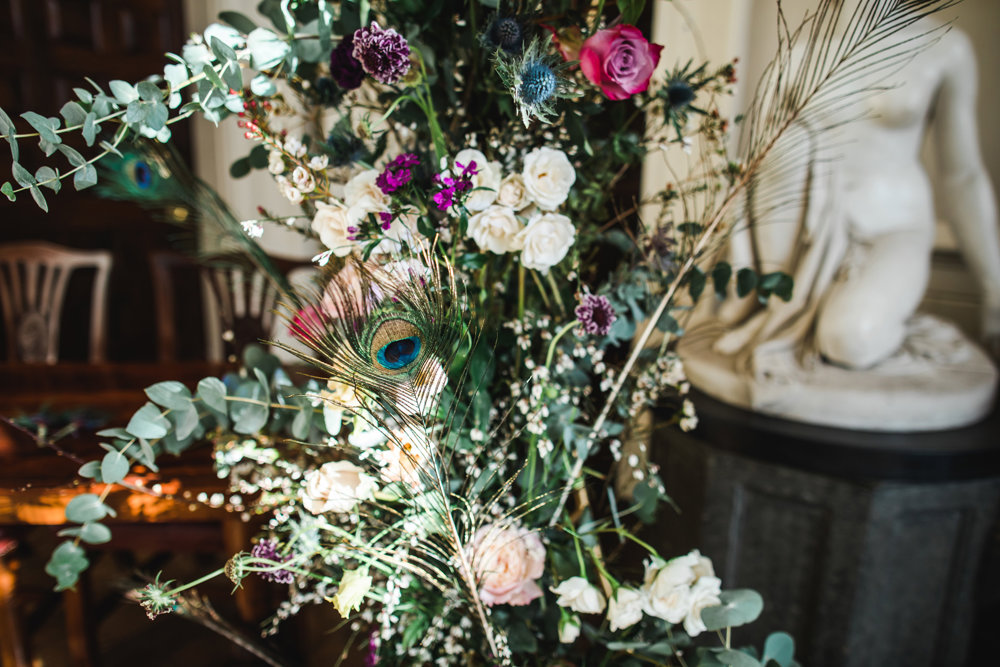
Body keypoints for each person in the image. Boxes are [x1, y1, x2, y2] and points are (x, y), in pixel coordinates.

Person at [710, 19, 1000, 370]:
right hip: (802, 243)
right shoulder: (797, 53)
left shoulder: (945, 48)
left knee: (850, 338)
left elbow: (962, 176)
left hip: (892, 228)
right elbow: (760, 173)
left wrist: (993, 284)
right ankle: (781, 311)